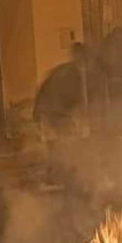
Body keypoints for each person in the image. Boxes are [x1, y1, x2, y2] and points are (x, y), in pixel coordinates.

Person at [34, 42, 88, 188]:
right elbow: (72, 100)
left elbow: (44, 89)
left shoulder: (63, 70)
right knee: (64, 143)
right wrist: (75, 119)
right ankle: (60, 176)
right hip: (53, 113)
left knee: (55, 144)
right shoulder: (72, 74)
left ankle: (55, 175)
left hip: (47, 111)